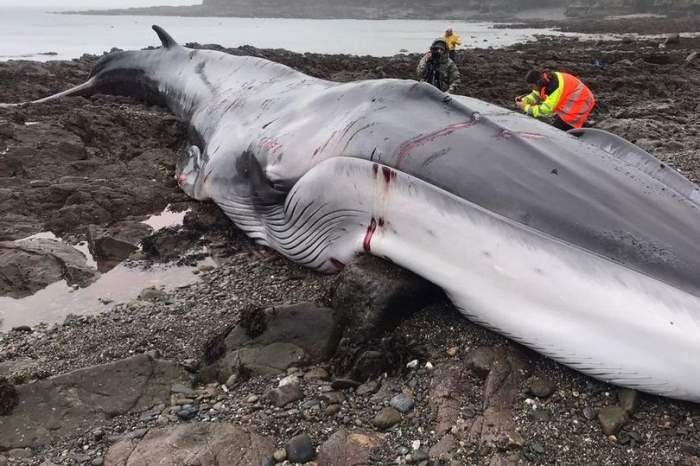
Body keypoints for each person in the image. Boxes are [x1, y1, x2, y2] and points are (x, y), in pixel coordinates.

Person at [515, 69, 595, 131]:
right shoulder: (545, 80)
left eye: (532, 87)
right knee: (559, 125)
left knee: (558, 132)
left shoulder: (554, 88)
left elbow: (545, 110)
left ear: (537, 83)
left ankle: (580, 130)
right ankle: (582, 125)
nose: (532, 89)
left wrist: (525, 107)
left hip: (580, 101)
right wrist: (525, 100)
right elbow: (536, 94)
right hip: (574, 97)